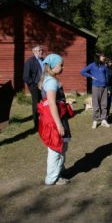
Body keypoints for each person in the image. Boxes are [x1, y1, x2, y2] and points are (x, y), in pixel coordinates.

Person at [38, 53, 71, 185]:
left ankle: (59, 170)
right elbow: (51, 103)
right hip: (55, 120)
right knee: (56, 148)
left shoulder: (50, 79)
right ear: (52, 66)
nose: (63, 67)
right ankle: (52, 178)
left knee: (63, 145)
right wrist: (59, 125)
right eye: (61, 65)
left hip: (59, 118)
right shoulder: (51, 81)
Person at [80, 52, 110, 129]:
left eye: (104, 56)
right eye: (102, 56)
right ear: (98, 57)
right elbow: (82, 71)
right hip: (96, 86)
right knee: (96, 104)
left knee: (104, 104)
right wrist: (91, 76)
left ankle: (104, 120)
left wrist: (108, 87)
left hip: (105, 87)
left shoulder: (104, 66)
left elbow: (106, 77)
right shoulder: (92, 65)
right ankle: (95, 120)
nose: (104, 57)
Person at [23, 45, 44, 130]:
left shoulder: (43, 60)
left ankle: (45, 120)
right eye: (39, 50)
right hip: (34, 86)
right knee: (36, 104)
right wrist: (33, 85)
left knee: (45, 102)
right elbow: (25, 76)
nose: (41, 52)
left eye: (41, 50)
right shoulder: (30, 61)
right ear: (34, 52)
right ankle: (36, 124)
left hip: (44, 85)